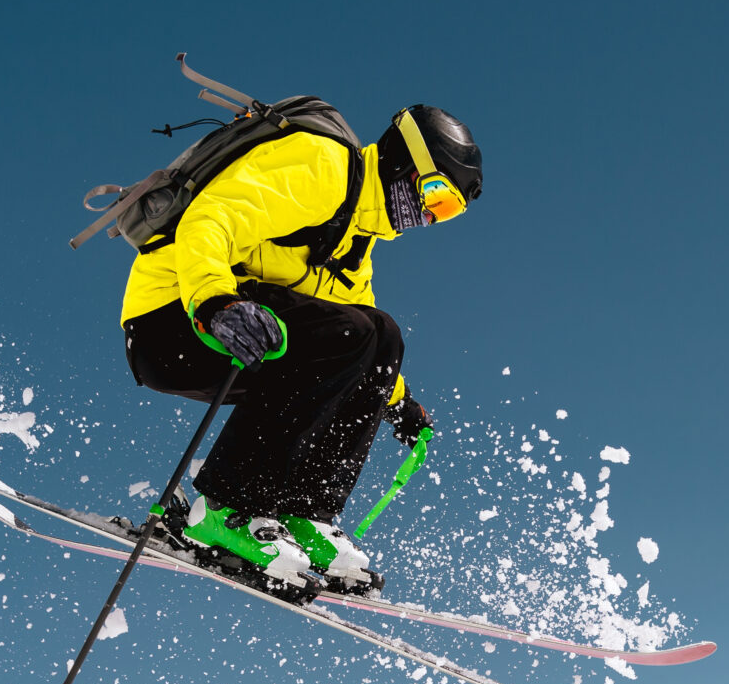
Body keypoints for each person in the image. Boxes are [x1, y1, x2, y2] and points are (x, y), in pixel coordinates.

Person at [117, 105, 481, 592]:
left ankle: (302, 513)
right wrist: (214, 301)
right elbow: (212, 216)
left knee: (381, 333)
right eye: (435, 193)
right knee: (353, 333)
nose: (429, 215)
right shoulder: (322, 166)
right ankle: (225, 508)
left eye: (447, 211)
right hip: (173, 319)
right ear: (402, 162)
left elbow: (360, 345)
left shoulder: (355, 236)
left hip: (241, 330)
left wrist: (399, 406)